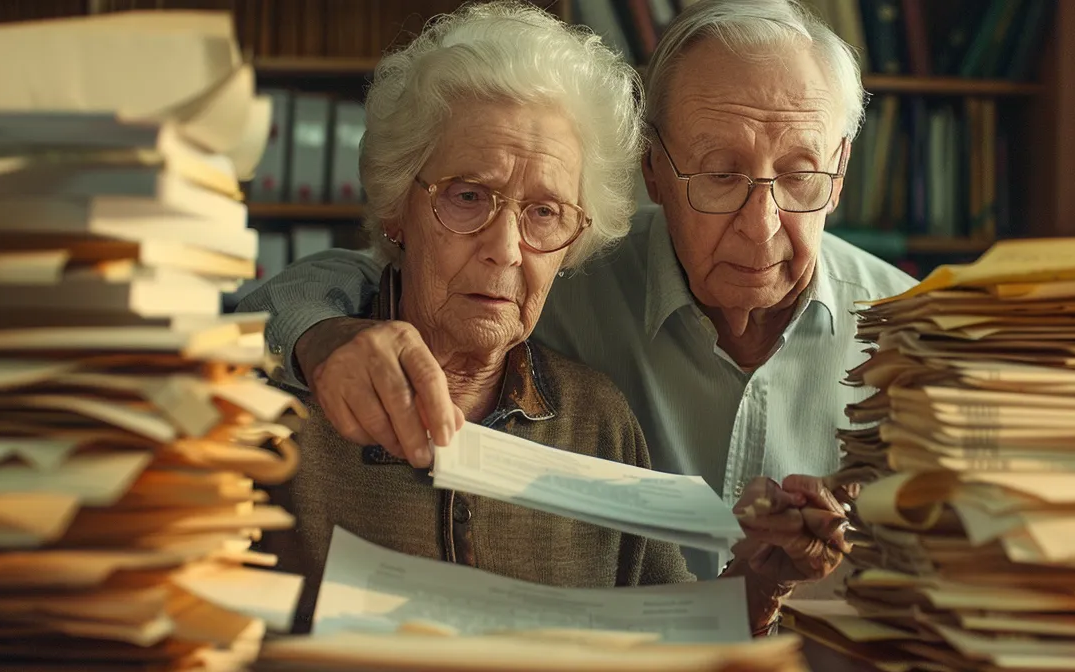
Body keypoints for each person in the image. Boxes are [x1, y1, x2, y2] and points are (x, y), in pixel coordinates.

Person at [257, 1, 845, 636]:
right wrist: (313, 339)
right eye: (468, 196)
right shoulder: (278, 411)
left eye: (544, 213)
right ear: (399, 205)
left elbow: (674, 637)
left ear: (574, 245)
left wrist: (763, 581)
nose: (506, 248)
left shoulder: (597, 421)